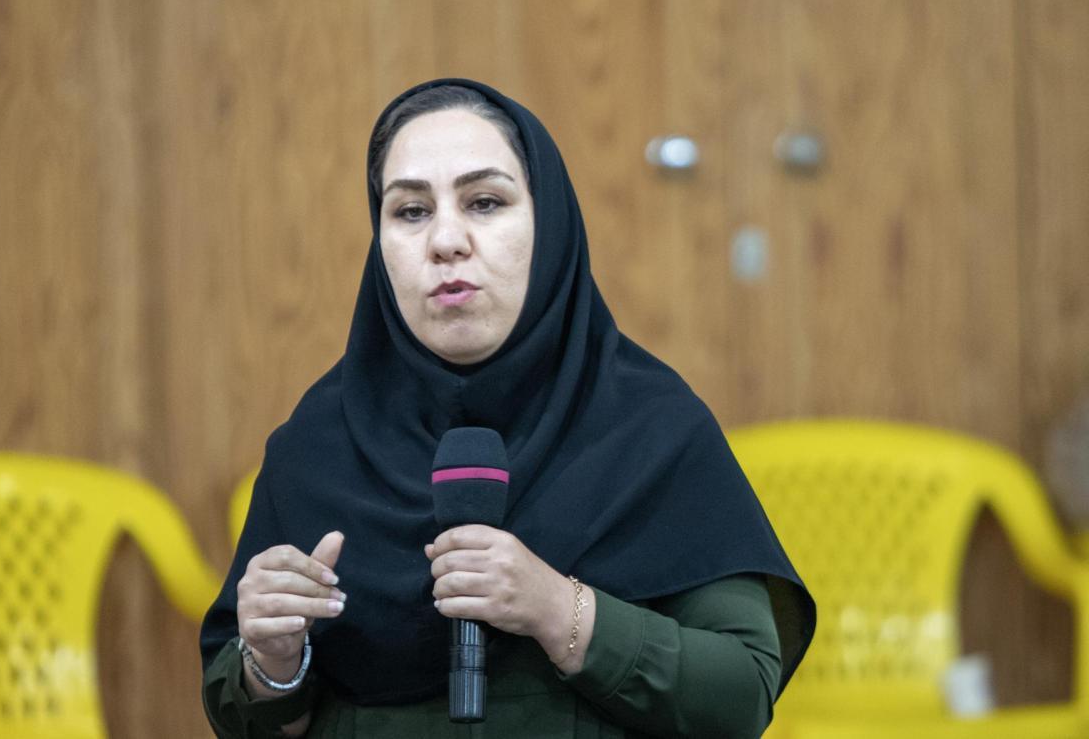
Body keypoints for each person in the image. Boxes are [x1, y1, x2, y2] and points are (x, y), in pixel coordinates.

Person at [200, 79, 815, 738]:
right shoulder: (316, 446)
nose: (446, 240)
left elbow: (739, 698)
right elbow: (248, 718)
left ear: (549, 226)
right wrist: (272, 663)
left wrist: (558, 608)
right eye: (410, 211)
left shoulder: (653, 428)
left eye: (485, 202)